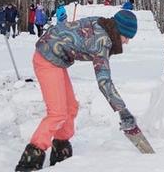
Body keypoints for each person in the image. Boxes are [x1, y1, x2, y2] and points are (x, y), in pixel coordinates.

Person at [15, 10, 139, 171]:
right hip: (46, 59)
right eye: (127, 37)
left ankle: (61, 149)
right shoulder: (103, 40)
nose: (127, 42)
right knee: (57, 113)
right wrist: (123, 111)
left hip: (55, 58)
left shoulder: (103, 24)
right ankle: (30, 159)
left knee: (71, 107)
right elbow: (104, 82)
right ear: (119, 31)